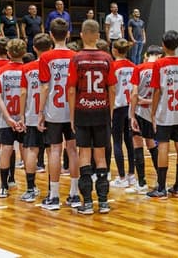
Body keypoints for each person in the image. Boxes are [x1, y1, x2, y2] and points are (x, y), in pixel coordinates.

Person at [64, 20, 116, 213]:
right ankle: (103, 202)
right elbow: (112, 88)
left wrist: (71, 116)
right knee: (100, 156)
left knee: (84, 155)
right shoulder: (107, 58)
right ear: (97, 35)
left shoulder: (77, 59)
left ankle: (86, 203)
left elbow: (71, 90)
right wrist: (109, 112)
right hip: (101, 111)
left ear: (82, 35)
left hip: (82, 111)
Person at [37, 18, 81, 210]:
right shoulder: (75, 56)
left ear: (51, 35)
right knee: (72, 150)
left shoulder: (46, 57)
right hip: (72, 110)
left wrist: (40, 112)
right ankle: (74, 194)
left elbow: (45, 88)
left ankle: (54, 196)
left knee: (55, 150)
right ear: (68, 33)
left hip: (54, 111)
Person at [146, 30, 178, 199]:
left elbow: (157, 90)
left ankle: (161, 187)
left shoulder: (159, 64)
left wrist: (152, 112)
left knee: (163, 145)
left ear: (163, 45)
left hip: (165, 111)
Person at [0, 38, 28, 199]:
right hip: (24, 117)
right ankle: (26, 185)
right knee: (26, 150)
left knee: (4, 149)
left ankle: (1, 185)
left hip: (3, 116)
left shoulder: (0, 71)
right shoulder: (27, 69)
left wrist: (7, 118)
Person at [128, 45, 163, 194]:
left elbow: (134, 94)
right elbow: (161, 94)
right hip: (153, 113)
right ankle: (160, 180)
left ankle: (141, 182)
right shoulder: (161, 69)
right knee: (152, 144)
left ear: (147, 54)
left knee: (138, 145)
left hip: (139, 111)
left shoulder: (139, 68)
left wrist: (131, 115)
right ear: (160, 56)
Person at [18, 35, 49, 202]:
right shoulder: (54, 66)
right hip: (53, 114)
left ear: (34, 48)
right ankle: (54, 190)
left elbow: (23, 92)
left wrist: (22, 114)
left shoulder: (27, 68)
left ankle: (30, 189)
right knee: (54, 151)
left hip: (32, 114)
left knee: (31, 150)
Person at [109, 39, 137, 188]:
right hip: (130, 106)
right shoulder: (133, 66)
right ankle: (131, 174)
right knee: (129, 139)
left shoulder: (113, 67)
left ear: (114, 50)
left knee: (117, 141)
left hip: (118, 107)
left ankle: (121, 176)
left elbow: (112, 89)